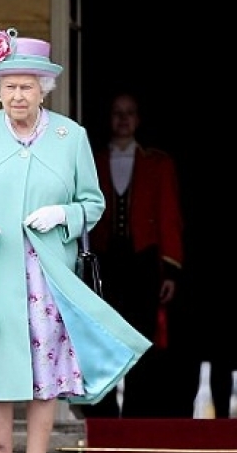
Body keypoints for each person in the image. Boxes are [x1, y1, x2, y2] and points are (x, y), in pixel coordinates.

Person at [0, 28, 150, 453]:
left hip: (48, 275)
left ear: (44, 89)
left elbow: (92, 203)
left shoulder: (69, 136)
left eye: (27, 86)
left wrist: (65, 214)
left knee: (45, 374)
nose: (18, 94)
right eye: (9, 86)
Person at [79, 92, 191, 418]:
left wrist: (170, 270)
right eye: (117, 113)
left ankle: (139, 412)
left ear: (138, 119)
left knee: (141, 337)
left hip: (143, 261)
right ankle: (104, 410)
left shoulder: (158, 162)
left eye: (129, 113)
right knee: (103, 336)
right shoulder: (92, 160)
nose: (123, 119)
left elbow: (170, 217)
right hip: (105, 260)